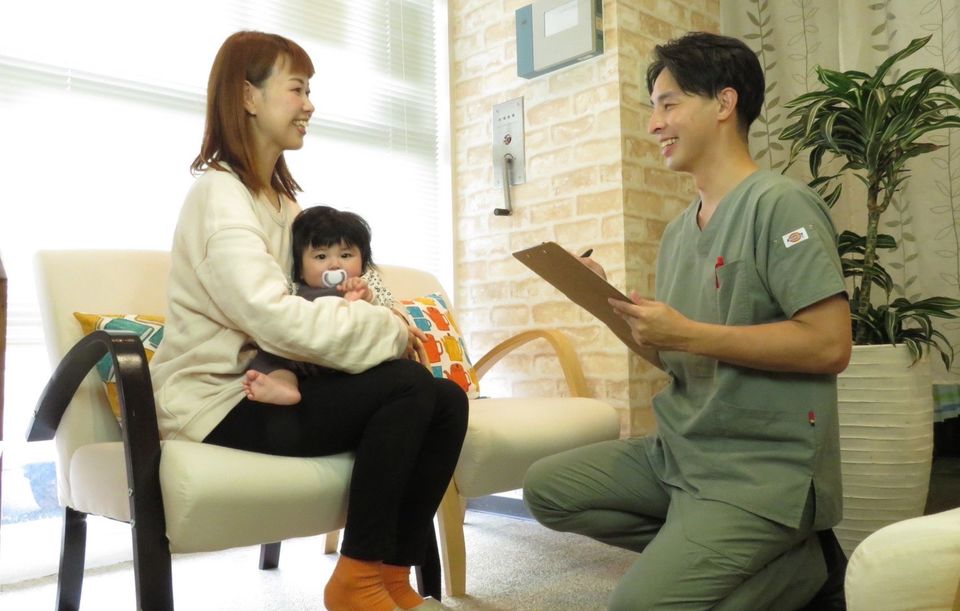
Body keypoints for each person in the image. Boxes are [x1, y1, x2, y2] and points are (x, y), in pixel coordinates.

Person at [522, 32, 852, 610]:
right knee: (546, 489)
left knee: (636, 608)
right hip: (679, 451)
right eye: (654, 108)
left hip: (759, 469)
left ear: (724, 103)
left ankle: (803, 568)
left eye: (668, 104)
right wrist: (610, 305)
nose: (654, 124)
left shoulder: (780, 205)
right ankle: (776, 558)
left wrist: (688, 333)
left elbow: (829, 346)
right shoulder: (679, 231)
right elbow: (677, 352)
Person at [149, 31, 467, 611]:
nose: (310, 105)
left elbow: (325, 295)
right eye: (297, 89)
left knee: (446, 401)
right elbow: (276, 319)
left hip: (278, 388)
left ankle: (390, 577)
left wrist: (378, 311)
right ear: (247, 96)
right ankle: (355, 584)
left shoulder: (282, 205)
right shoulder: (220, 197)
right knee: (406, 386)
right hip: (220, 401)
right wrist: (394, 331)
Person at [242, 205, 401, 406]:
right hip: (302, 355)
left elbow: (388, 313)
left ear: (362, 262)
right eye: (321, 257)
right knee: (271, 355)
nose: (335, 264)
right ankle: (284, 385)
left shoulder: (367, 283)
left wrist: (366, 297)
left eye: (345, 255)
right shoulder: (293, 289)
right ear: (300, 269)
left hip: (348, 358)